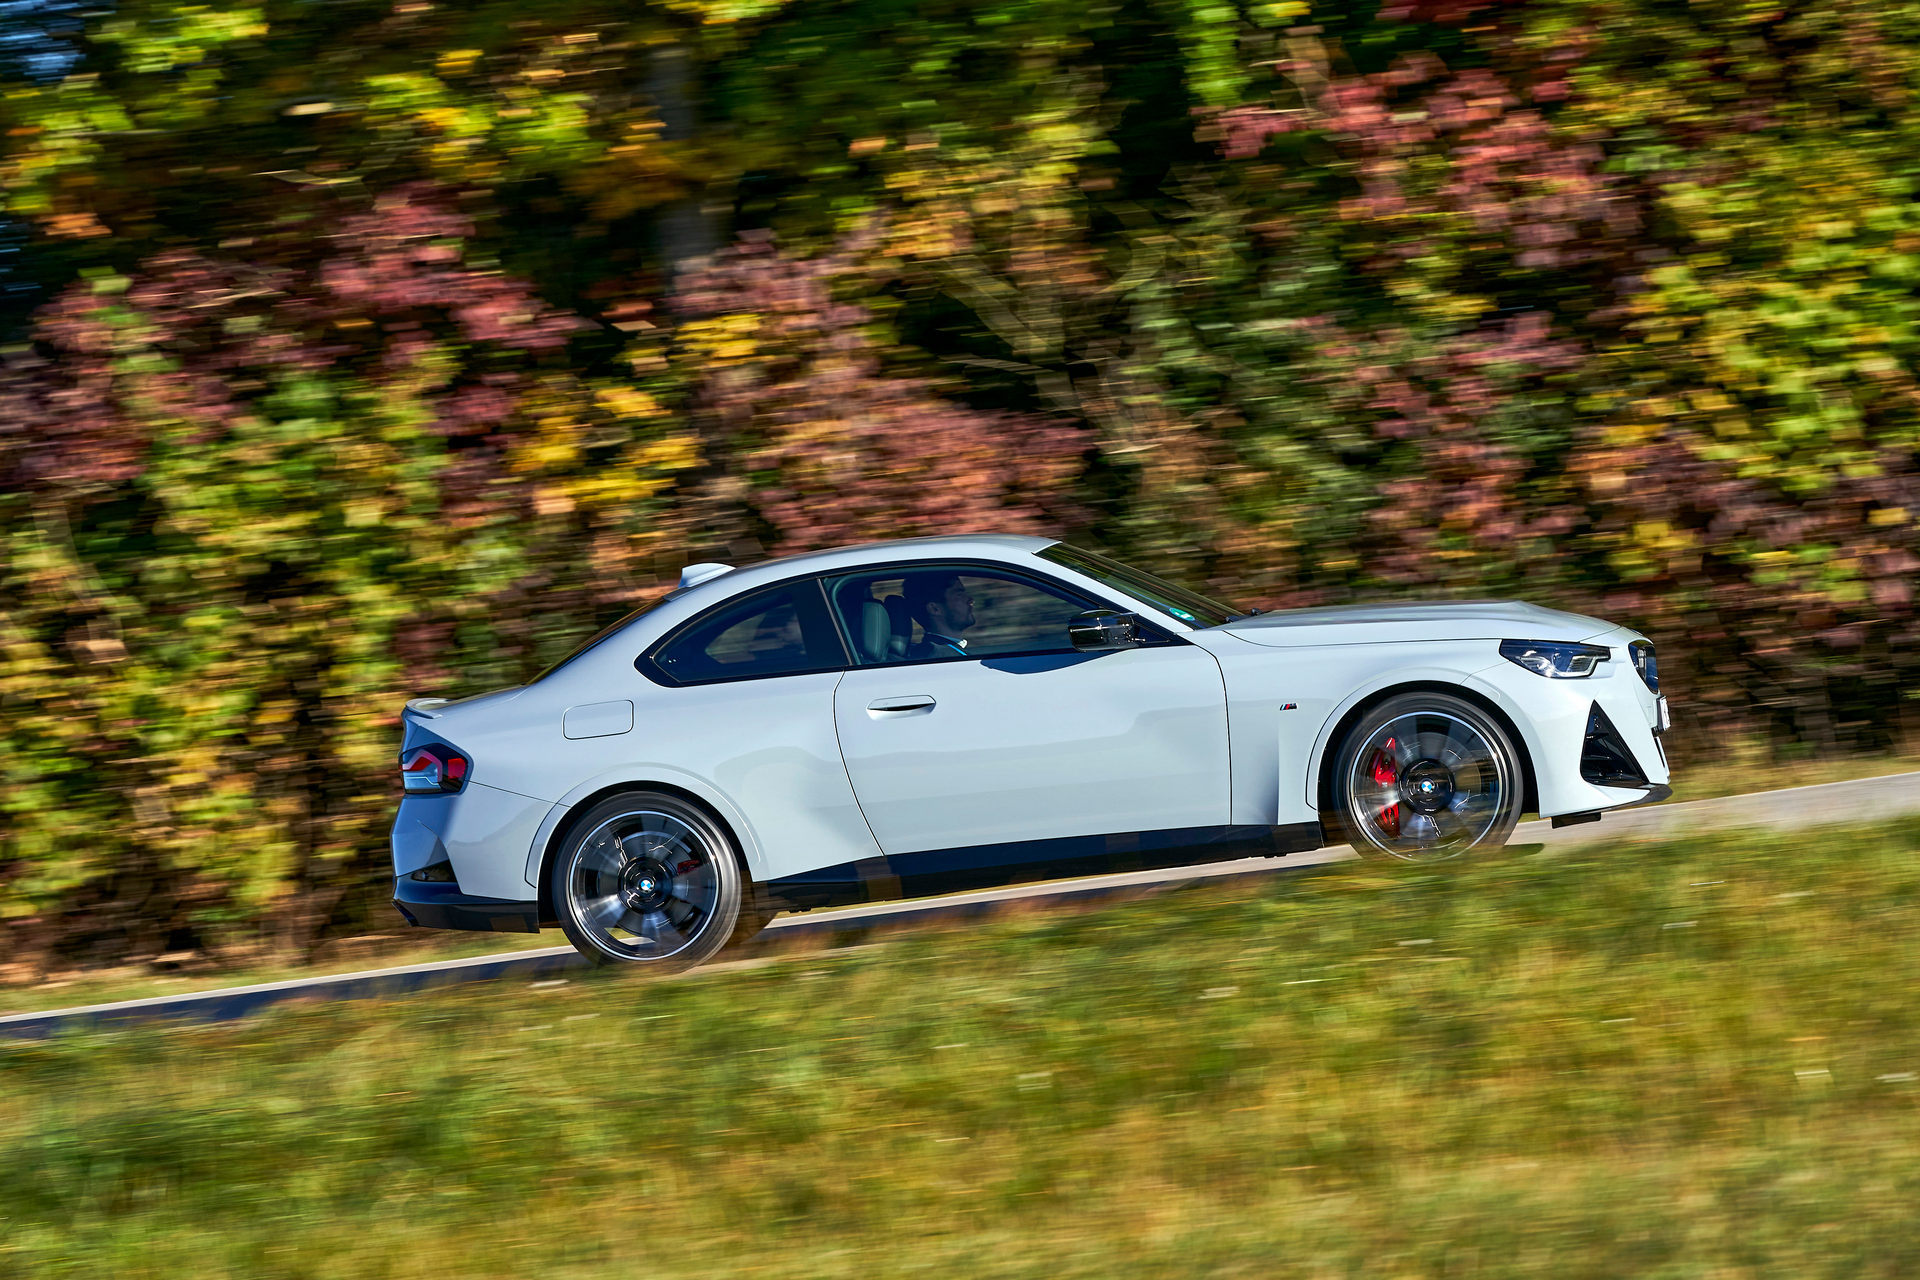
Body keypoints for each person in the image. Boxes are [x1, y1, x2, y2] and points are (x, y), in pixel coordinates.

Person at [902, 572, 976, 659]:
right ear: (935, 609)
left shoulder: (937, 652)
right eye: (959, 595)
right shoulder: (946, 658)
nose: (971, 600)